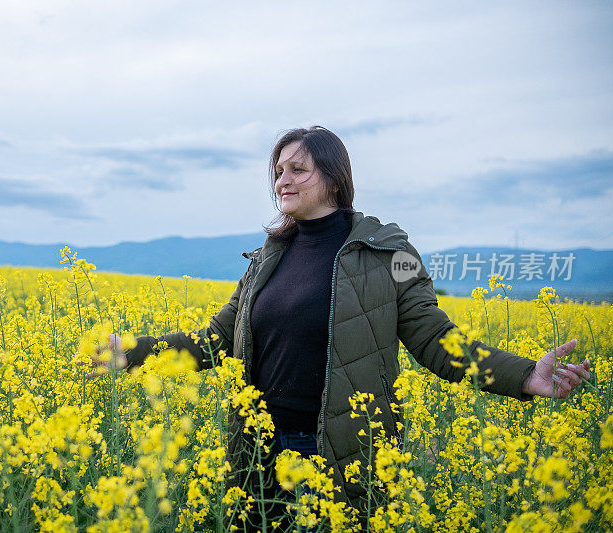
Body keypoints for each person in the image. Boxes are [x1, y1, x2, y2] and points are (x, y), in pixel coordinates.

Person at [89, 126, 592, 530]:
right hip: (258, 446)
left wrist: (524, 376)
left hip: (337, 450)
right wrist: (130, 352)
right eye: (277, 171)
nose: (281, 180)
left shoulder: (389, 255)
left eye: (297, 169)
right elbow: (216, 339)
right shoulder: (268, 258)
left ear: (334, 178)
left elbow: (436, 340)